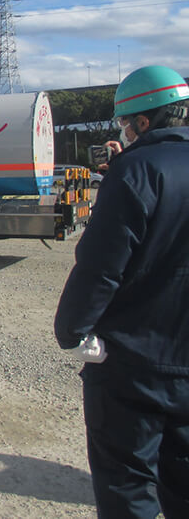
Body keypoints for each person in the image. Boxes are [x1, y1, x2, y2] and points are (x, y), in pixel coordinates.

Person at [54, 65, 189, 518]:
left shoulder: (137, 170)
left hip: (135, 364)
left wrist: (73, 330)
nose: (123, 132)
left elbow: (100, 268)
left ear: (143, 122)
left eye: (125, 123)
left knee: (128, 485)